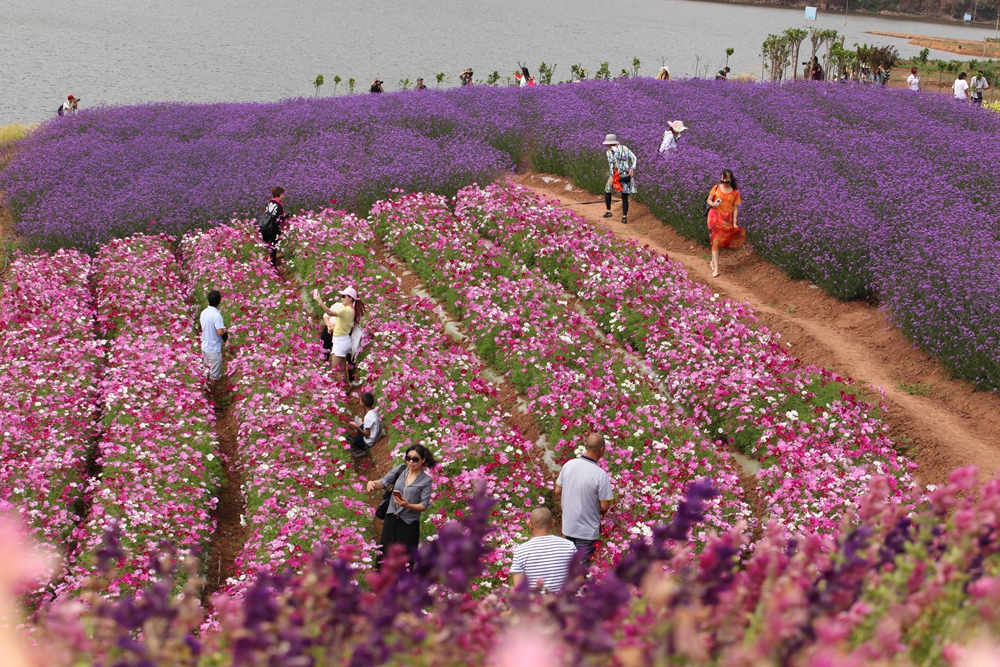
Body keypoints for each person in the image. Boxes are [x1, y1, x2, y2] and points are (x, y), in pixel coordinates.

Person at [367, 444, 436, 568]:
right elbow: (383, 482)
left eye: (415, 459)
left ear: (423, 460)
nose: (411, 462)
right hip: (391, 517)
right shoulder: (400, 470)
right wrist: (372, 483)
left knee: (405, 557)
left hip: (409, 523)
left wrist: (408, 505)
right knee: (385, 553)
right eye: (408, 458)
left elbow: (424, 505)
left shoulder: (426, 481)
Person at [554, 433, 613, 566]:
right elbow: (604, 507)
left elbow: (558, 490)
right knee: (580, 569)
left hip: (569, 526)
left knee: (569, 565)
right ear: (602, 449)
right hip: (586, 530)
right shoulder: (600, 475)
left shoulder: (569, 465)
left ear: (585, 446)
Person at [509, 507, 578, 594]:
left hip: (535, 605)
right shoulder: (569, 546)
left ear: (530, 525)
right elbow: (578, 580)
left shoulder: (520, 551)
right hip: (563, 604)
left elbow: (519, 589)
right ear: (553, 523)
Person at [313, 286, 360, 391]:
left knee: (335, 369)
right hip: (345, 340)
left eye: (344, 296)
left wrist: (319, 301)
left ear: (351, 298)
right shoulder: (352, 310)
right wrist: (331, 326)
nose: (342, 298)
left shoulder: (346, 310)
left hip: (340, 342)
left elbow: (330, 313)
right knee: (342, 369)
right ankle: (345, 389)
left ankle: (341, 391)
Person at [706, 169, 745, 277]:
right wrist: (712, 204)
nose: (724, 183)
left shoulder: (735, 192)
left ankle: (713, 261)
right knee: (715, 241)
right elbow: (708, 200)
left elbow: (735, 208)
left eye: (727, 181)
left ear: (731, 180)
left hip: (726, 219)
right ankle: (716, 269)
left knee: (722, 241)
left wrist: (734, 222)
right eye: (722, 181)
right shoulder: (716, 187)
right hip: (714, 217)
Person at [601, 134, 637, 225]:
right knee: (624, 195)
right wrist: (632, 168)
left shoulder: (610, 152)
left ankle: (608, 211)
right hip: (626, 174)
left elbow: (612, 165)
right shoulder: (625, 148)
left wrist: (612, 177)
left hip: (616, 175)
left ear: (609, 144)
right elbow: (634, 158)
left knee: (607, 190)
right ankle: (624, 217)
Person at [199, 290, 228, 392]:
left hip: (205, 346)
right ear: (219, 301)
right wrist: (225, 329)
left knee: (206, 370)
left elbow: (203, 328)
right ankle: (211, 396)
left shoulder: (204, 312)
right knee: (214, 375)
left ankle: (205, 393)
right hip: (214, 349)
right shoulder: (216, 315)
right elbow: (220, 332)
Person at [346, 391, 381, 457]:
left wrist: (357, 427)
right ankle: (357, 436)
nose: (359, 402)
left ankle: (359, 450)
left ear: (363, 403)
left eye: (360, 400)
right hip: (374, 436)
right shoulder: (373, 412)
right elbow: (363, 420)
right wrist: (363, 409)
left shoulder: (369, 417)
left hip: (367, 442)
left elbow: (367, 435)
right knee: (362, 425)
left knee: (347, 437)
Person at [259, 186, 285, 266]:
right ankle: (272, 266)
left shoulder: (269, 203)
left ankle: (264, 264)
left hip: (265, 227)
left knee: (266, 246)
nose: (283, 196)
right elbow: (280, 219)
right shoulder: (279, 205)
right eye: (282, 195)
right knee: (273, 248)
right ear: (278, 195)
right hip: (273, 229)